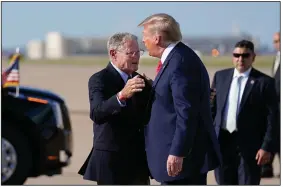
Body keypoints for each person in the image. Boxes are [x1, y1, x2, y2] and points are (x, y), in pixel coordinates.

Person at [138, 13, 222, 185]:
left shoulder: (180, 62)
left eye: (145, 37)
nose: (143, 42)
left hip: (182, 163)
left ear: (157, 38)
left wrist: (178, 152)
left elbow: (186, 111)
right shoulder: (177, 58)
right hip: (178, 160)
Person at [77, 32, 151, 185]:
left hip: (137, 161)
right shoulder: (100, 79)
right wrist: (122, 96)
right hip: (111, 162)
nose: (137, 57)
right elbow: (97, 113)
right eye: (131, 53)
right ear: (113, 54)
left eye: (139, 52)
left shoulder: (140, 81)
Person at [211, 40, 278, 185]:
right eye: (237, 55)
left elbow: (273, 118)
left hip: (250, 149)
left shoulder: (264, 82)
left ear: (253, 57)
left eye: (245, 55)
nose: (240, 59)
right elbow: (212, 110)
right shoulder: (220, 77)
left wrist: (266, 147)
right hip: (223, 144)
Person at [261, 32, 281, 178]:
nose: (276, 44)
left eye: (278, 40)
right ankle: (267, 167)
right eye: (274, 41)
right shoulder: (277, 57)